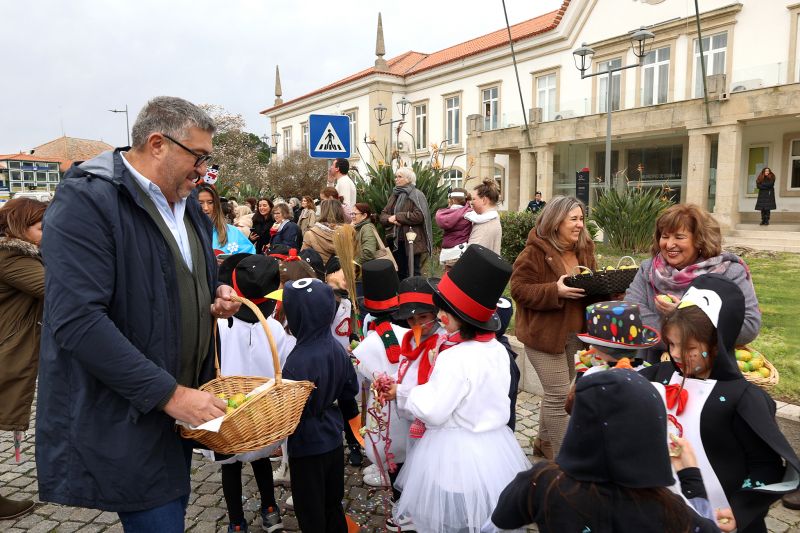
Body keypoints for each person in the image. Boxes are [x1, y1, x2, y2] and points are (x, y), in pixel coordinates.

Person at [36, 96, 242, 531]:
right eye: (198, 156)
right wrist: (171, 395)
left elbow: (169, 278)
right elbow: (77, 321)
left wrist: (213, 292)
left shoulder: (188, 207)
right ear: (157, 144)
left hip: (178, 410)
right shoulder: (87, 201)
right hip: (131, 411)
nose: (203, 171)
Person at [640, 274, 800, 533]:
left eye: (689, 347)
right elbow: (623, 387)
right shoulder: (663, 374)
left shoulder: (742, 398)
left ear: (718, 345)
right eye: (671, 344)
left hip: (721, 518)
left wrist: (740, 509)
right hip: (671, 511)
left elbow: (766, 465)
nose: (676, 354)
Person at [389, 244, 531, 533]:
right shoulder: (496, 349)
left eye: (444, 311)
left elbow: (433, 410)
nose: (440, 317)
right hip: (493, 448)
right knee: (482, 512)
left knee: (451, 518)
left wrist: (408, 393)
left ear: (457, 317)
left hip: (455, 453)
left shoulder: (455, 357)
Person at [484, 369, 728, 533]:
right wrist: (691, 476)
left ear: (580, 425)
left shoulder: (544, 481)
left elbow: (498, 522)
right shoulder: (668, 510)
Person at [509, 196, 596, 459]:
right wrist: (554, 291)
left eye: (581, 218)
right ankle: (565, 463)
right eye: (574, 219)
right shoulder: (535, 252)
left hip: (576, 334)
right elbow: (518, 289)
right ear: (557, 221)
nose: (580, 224)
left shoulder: (584, 249)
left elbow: (591, 286)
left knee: (559, 392)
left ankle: (543, 442)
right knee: (559, 397)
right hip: (543, 336)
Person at [214, 254, 293, 533]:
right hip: (262, 410)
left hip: (227, 408)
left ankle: (237, 522)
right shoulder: (274, 329)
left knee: (230, 466)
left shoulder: (219, 326)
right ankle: (270, 509)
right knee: (260, 457)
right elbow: (284, 366)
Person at [624, 203, 760, 362]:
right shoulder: (648, 269)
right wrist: (688, 336)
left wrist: (687, 315)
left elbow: (748, 327)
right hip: (650, 365)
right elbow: (631, 313)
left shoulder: (729, 272)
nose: (669, 244)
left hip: (708, 367)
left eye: (679, 237)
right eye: (665, 236)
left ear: (700, 240)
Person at [281, 278, 360, 533]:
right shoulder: (337, 349)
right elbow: (350, 389)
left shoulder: (296, 361)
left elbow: (290, 410)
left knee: (310, 510)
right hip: (333, 439)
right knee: (332, 503)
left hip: (306, 445)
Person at [0, 197, 47, 520]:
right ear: (21, 227)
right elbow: (55, 288)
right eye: (43, 228)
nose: (48, 234)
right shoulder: (11, 257)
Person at [352, 260, 409, 489]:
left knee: (389, 431)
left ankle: (389, 468)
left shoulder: (387, 331)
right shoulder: (404, 325)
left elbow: (369, 365)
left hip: (390, 395)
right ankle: (384, 464)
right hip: (395, 391)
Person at [379, 167, 432, 280]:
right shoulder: (394, 195)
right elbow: (383, 214)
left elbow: (420, 216)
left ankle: (415, 291)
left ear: (408, 179)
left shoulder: (417, 194)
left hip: (412, 240)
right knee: (399, 272)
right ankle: (401, 292)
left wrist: (397, 216)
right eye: (396, 176)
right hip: (396, 240)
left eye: (399, 177)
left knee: (414, 272)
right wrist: (389, 219)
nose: (396, 179)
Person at [198, 183, 256, 256]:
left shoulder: (233, 232)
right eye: (200, 203)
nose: (206, 208)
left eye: (210, 202)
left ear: (217, 205)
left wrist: (232, 261)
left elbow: (249, 257)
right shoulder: (185, 232)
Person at [435, 188, 472, 268]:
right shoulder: (468, 213)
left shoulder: (444, 214)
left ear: (452, 200)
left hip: (446, 252)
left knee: (447, 274)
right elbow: (481, 218)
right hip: (460, 250)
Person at [301, 198, 346, 264]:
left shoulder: (310, 234)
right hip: (341, 269)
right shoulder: (348, 233)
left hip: (318, 269)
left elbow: (303, 260)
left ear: (323, 212)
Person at [467, 178, 502, 254]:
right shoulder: (493, 218)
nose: (471, 203)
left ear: (484, 200)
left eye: (474, 199)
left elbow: (471, 254)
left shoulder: (484, 224)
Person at [352, 202, 381, 267]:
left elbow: (369, 252)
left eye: (355, 214)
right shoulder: (360, 227)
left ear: (364, 215)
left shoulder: (367, 228)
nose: (352, 216)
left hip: (367, 268)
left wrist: (353, 263)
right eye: (351, 214)